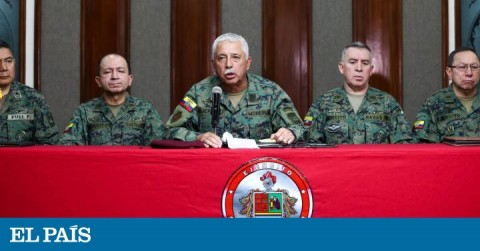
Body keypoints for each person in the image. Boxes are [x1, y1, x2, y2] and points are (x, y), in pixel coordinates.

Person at [164, 33, 304, 148]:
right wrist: (198, 137)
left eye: (235, 57)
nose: (229, 64)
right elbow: (169, 131)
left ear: (248, 62)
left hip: (255, 171)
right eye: (221, 58)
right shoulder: (198, 92)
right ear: (213, 64)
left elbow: (300, 128)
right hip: (213, 168)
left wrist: (290, 132)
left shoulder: (270, 92)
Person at [304, 41, 413, 144]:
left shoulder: (388, 103)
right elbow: (309, 144)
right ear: (342, 68)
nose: (359, 68)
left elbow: (404, 144)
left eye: (365, 63)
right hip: (337, 164)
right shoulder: (323, 103)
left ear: (370, 70)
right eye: (353, 62)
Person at [60, 53, 164, 145]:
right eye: (107, 72)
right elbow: (68, 144)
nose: (114, 76)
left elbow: (159, 144)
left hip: (133, 166)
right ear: (98, 81)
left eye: (121, 71)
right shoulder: (84, 111)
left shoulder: (146, 110)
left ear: (130, 79)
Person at [413, 47, 480, 143]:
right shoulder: (433, 104)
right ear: (449, 72)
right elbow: (421, 145)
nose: (469, 73)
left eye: (474, 67)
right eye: (462, 67)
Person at [0, 40, 59, 145]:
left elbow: (50, 143)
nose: (3, 68)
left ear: (14, 63)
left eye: (8, 61)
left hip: (21, 161)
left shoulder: (33, 98)